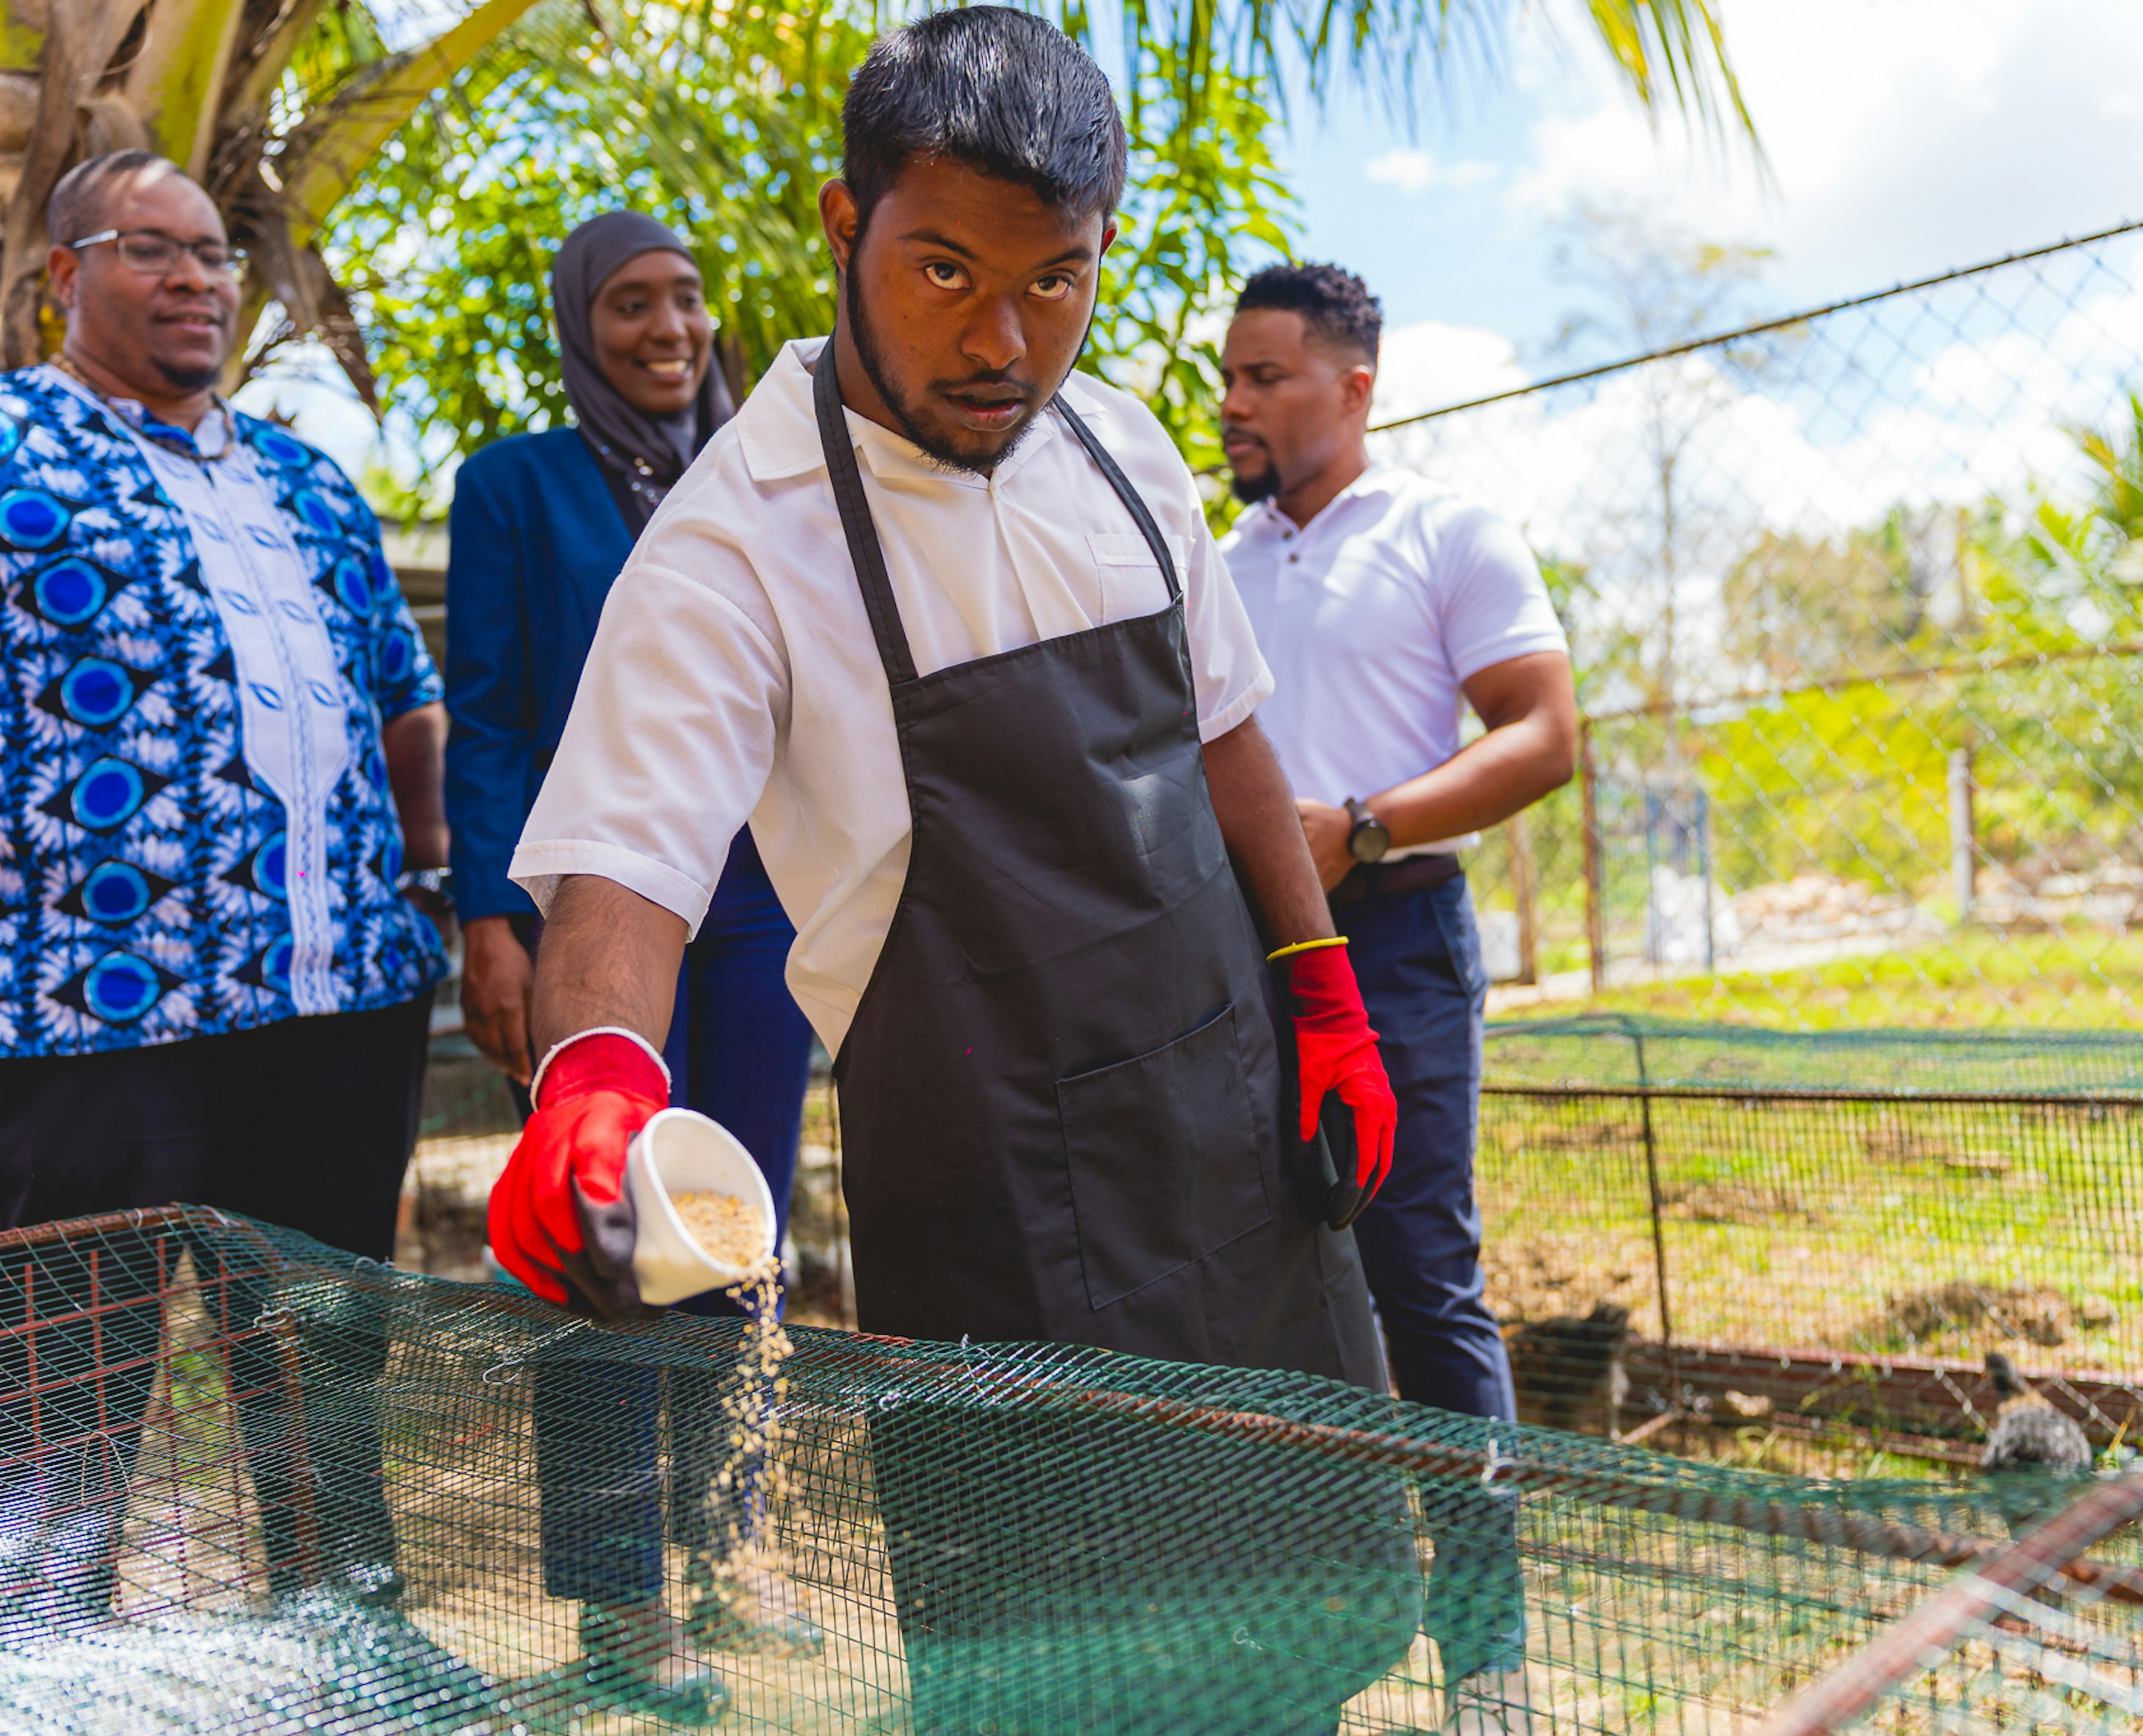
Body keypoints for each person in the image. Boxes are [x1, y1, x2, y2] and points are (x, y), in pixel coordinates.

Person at [486, 11, 1417, 1731]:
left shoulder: (1126, 449)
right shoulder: (734, 542)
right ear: (845, 230)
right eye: (943, 273)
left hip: (1241, 1151)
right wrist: (598, 1086)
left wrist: (1323, 989)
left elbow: (1230, 743)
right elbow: (621, 870)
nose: (1004, 341)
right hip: (1005, 1221)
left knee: (1307, 1639)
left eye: (1055, 283)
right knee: (1066, 1697)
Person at [0, 149, 450, 1620]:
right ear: (63, 275)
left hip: (343, 1010)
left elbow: (408, 697)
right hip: (101, 1023)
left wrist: (428, 877)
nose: (197, 280)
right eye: (152, 251)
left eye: (217, 255)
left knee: (321, 1381)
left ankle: (348, 1655)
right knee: (65, 1393)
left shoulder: (306, 477)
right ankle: (33, 1676)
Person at [444, 213, 817, 1720]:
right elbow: (484, 715)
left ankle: (734, 1557)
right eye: (630, 303)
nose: (666, 326)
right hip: (595, 907)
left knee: (733, 1230)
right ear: (578, 322)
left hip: (759, 917)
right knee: (599, 1234)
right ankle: (621, 1602)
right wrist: (490, 917)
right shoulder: (516, 486)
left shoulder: (768, 476)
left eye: (685, 295)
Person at [1218, 262, 1579, 1735]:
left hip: (1397, 945)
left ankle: (1484, 1662)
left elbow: (1545, 735)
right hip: (1240, 968)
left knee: (1421, 1285)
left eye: (1265, 378)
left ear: (1354, 387)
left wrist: (1360, 826)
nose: (1232, 402)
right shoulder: (1207, 558)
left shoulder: (1446, 532)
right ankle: (1293, 1634)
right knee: (1256, 1290)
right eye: (1228, 376)